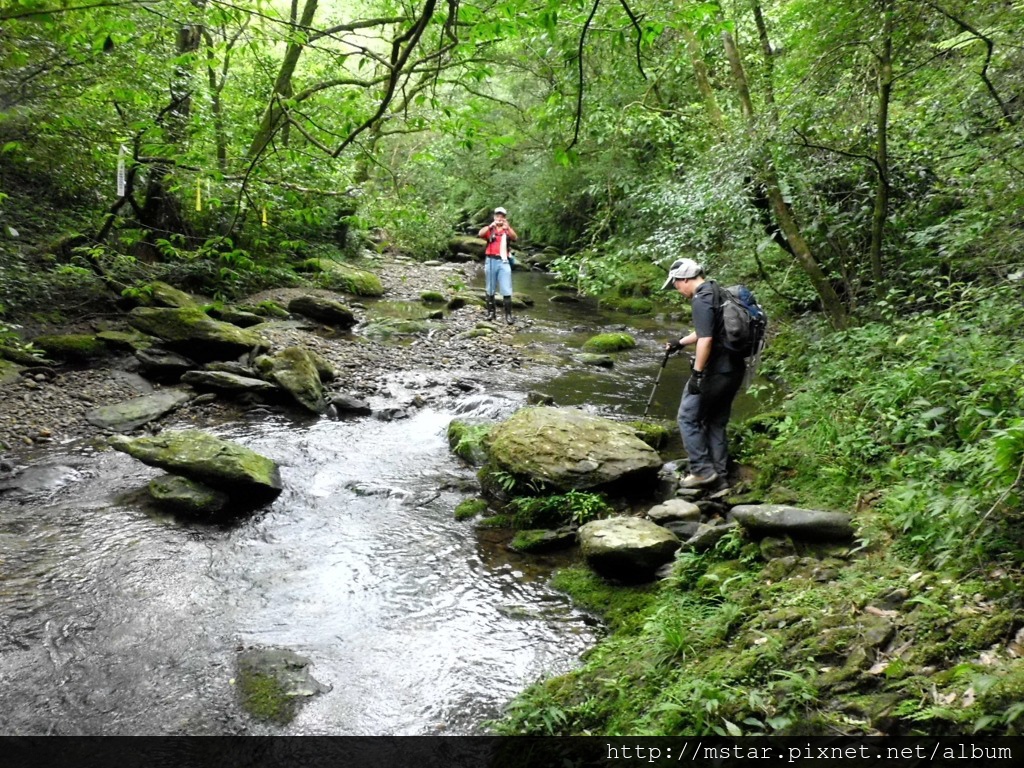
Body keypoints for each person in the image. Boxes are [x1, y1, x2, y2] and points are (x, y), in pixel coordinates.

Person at [662, 258, 745, 490]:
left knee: (687, 417)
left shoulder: (701, 298)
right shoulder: (719, 293)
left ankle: (701, 471)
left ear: (685, 279)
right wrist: (680, 342)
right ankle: (720, 480)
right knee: (716, 421)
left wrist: (698, 373)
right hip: (735, 368)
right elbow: (705, 331)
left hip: (715, 369)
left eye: (676, 284)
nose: (677, 290)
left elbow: (706, 339)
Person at [477, 206, 518, 323]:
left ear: (505, 218)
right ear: (494, 217)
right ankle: (491, 313)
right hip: (490, 260)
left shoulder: (507, 230)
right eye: (497, 216)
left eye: (502, 217)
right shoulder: (490, 229)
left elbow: (515, 238)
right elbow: (480, 234)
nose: (499, 218)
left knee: (506, 288)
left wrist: (508, 227)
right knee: (490, 288)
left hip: (503, 261)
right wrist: (491, 225)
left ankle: (508, 316)